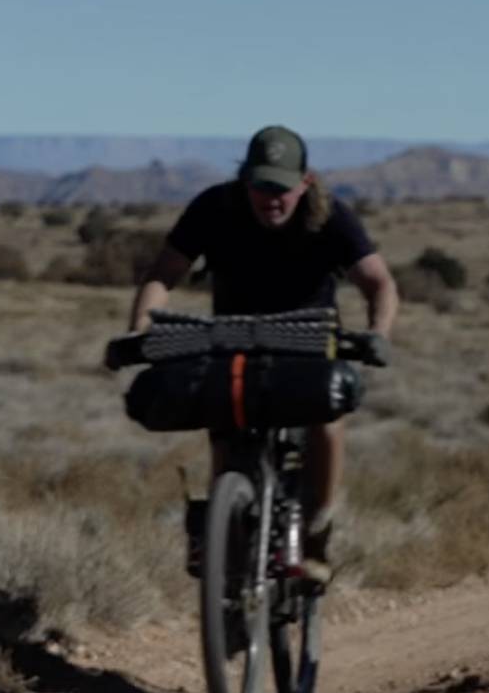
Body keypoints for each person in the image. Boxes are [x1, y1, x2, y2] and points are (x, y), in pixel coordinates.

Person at [126, 125, 398, 583]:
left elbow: (379, 283)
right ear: (243, 179)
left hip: (309, 342)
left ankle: (316, 529)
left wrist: (378, 333)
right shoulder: (215, 207)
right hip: (232, 340)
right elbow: (163, 274)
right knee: (224, 434)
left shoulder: (330, 216)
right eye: (260, 185)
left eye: (282, 188)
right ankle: (222, 545)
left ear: (305, 182)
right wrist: (138, 332)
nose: (270, 198)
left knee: (326, 423)